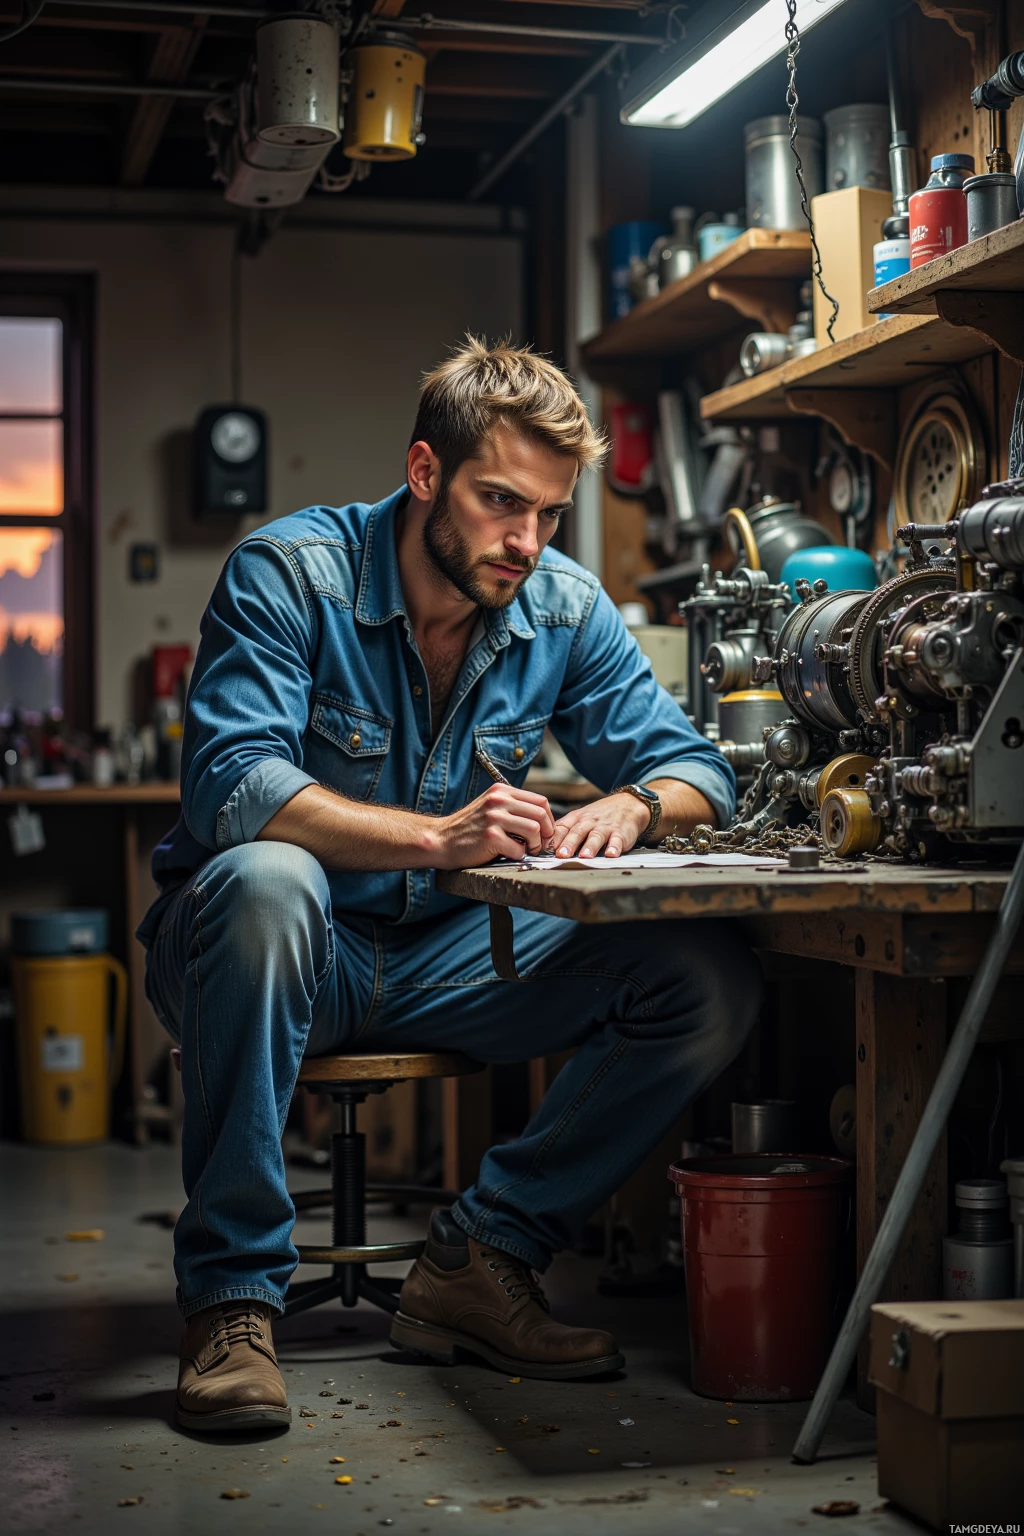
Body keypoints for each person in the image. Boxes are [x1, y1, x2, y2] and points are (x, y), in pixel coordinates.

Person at [139, 337, 762, 1433]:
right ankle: (231, 1303)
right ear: (426, 472)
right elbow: (231, 789)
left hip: (446, 959)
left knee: (704, 980)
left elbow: (700, 769)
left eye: (550, 514)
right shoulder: (291, 574)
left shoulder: (561, 607)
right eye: (499, 502)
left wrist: (633, 805)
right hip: (274, 957)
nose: (526, 542)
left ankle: (485, 1255)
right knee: (271, 880)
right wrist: (438, 837)